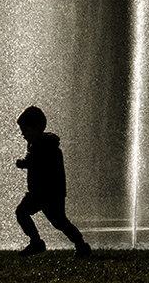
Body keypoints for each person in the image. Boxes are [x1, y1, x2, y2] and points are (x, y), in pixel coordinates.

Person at [14, 105, 91, 257]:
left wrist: (22, 163)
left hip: (49, 193)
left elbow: (32, 161)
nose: (22, 134)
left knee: (58, 222)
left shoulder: (44, 145)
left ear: (36, 128)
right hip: (40, 192)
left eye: (25, 130)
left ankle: (79, 245)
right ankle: (38, 242)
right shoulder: (37, 144)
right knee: (27, 214)